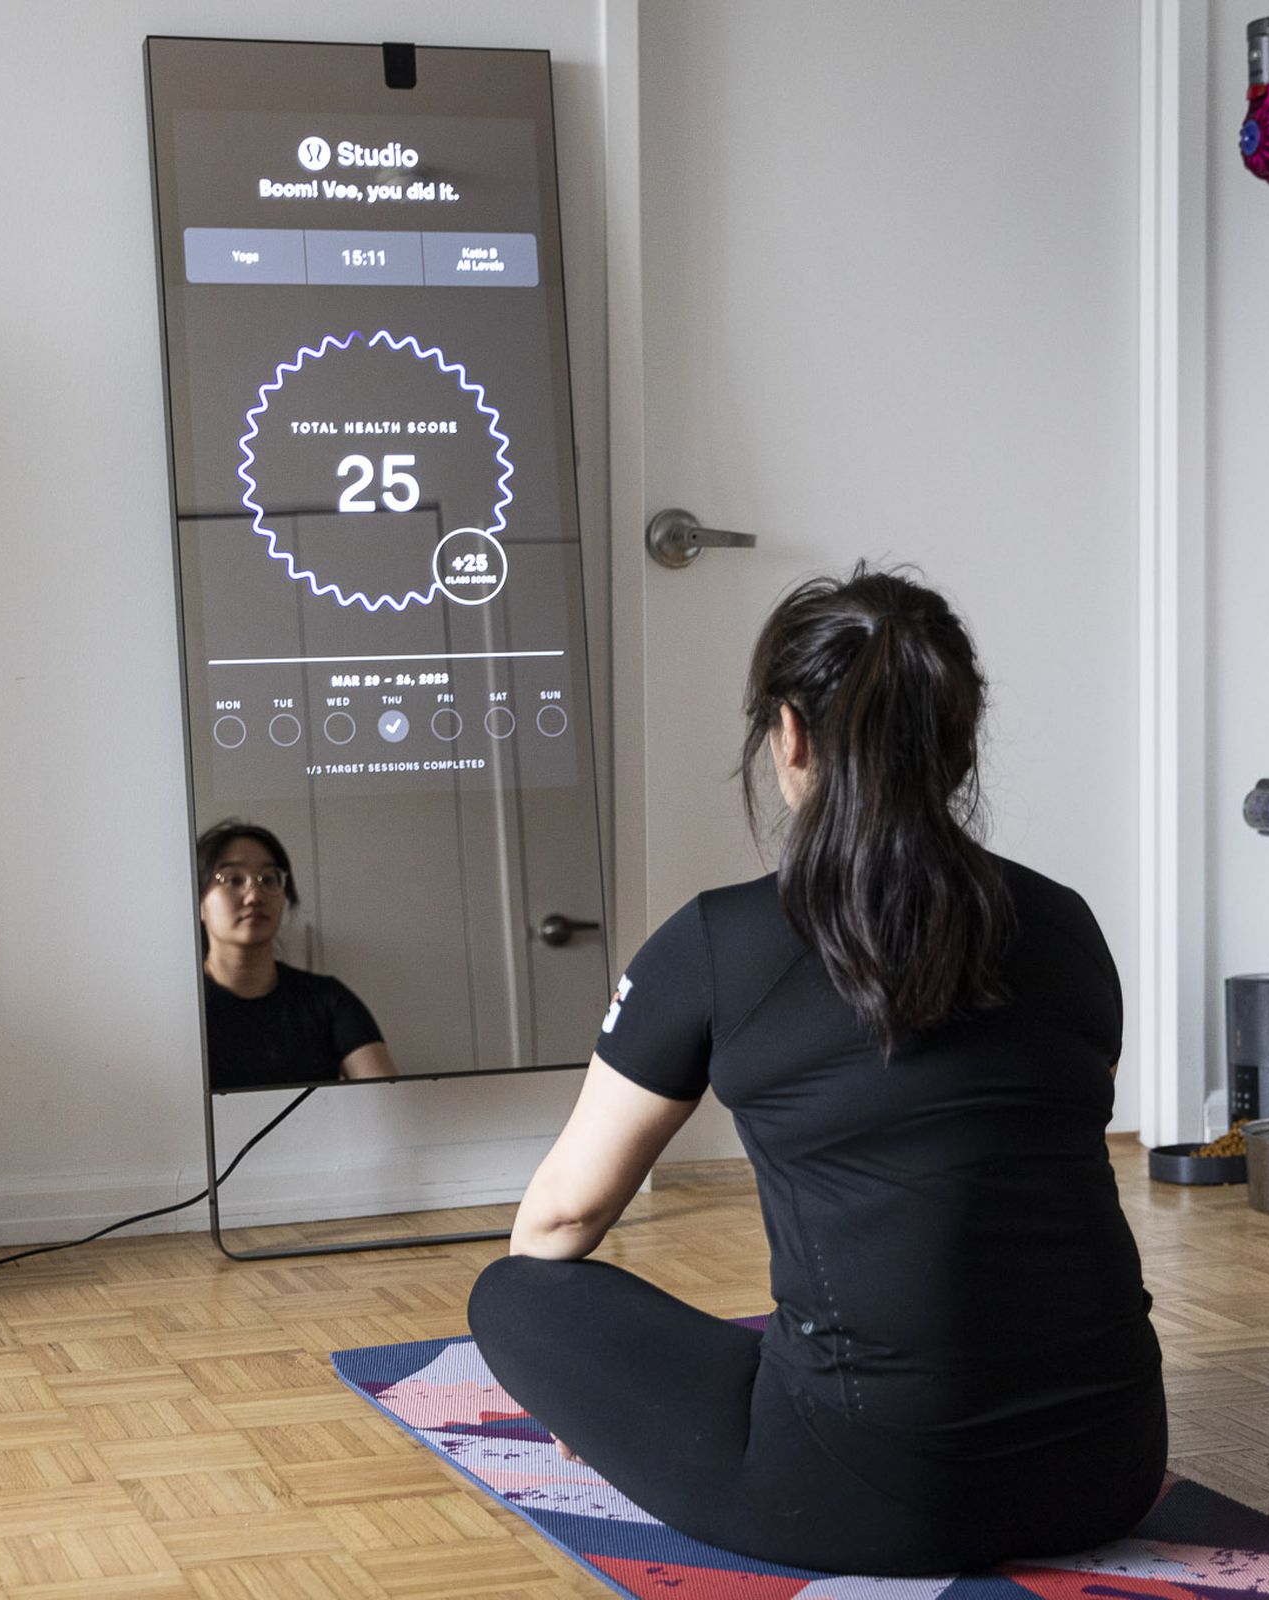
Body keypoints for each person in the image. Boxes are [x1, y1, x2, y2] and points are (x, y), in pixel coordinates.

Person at [467, 564, 1165, 1576]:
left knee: (511, 1298)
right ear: (963, 738)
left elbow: (562, 1221)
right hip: (1110, 1465)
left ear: (788, 733)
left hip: (867, 1495)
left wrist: (587, 1390)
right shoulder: (1064, 922)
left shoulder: (718, 941)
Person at [196, 819, 397, 1090]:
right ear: (198, 903)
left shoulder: (328, 1000)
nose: (254, 895)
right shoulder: (180, 1009)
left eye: (269, 879)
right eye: (233, 879)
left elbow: (386, 1102)